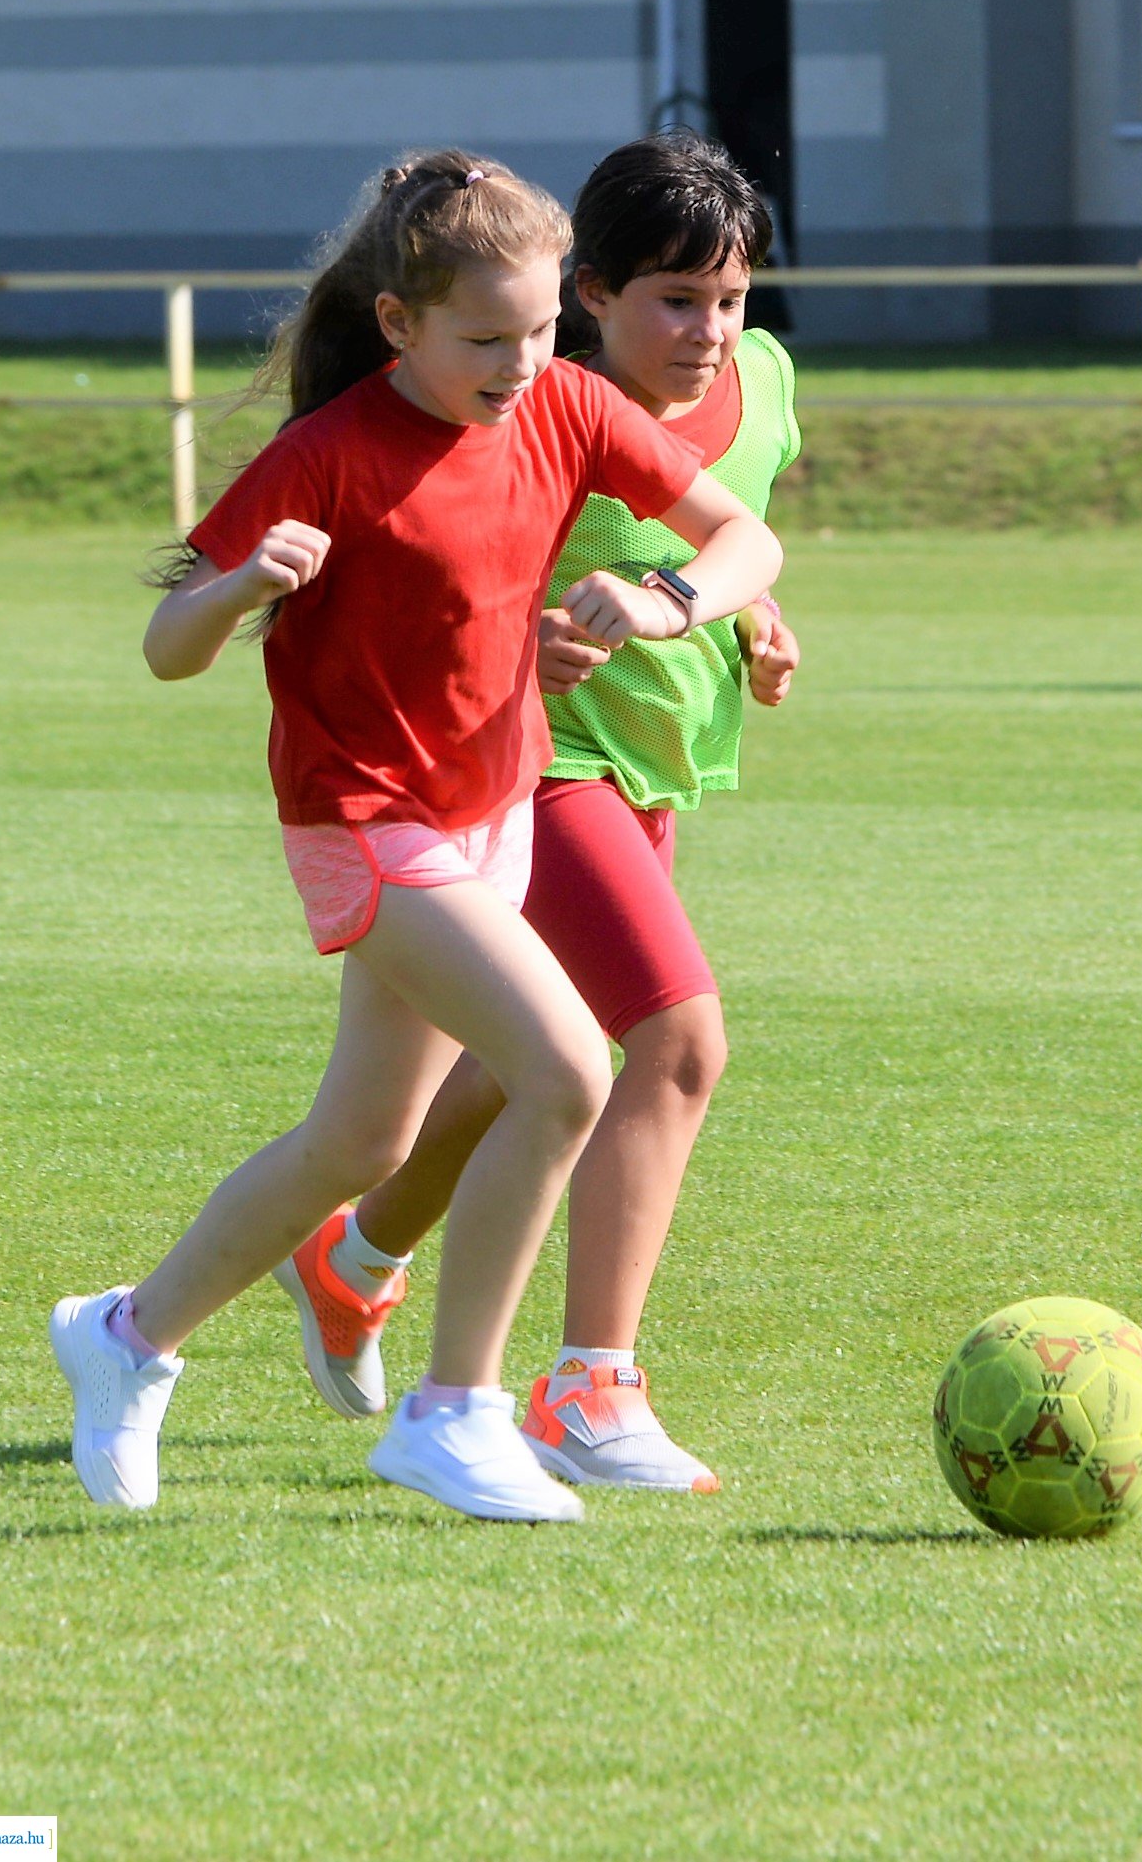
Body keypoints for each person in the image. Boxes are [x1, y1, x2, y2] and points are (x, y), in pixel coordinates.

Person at [49, 148, 782, 1523]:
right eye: (484, 338)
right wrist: (240, 589)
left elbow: (746, 537)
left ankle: (125, 1336)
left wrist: (673, 598)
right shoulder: (326, 452)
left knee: (360, 1144)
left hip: (488, 815)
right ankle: (458, 1411)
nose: (521, 362)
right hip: (364, 823)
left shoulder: (564, 403)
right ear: (400, 322)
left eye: (543, 329)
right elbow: (165, 644)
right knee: (568, 1064)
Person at [276, 131, 800, 1492]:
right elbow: (452, 586)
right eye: (673, 299)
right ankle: (587, 1385)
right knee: (676, 1044)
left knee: (521, 1067)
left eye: (729, 296)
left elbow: (722, 534)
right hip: (536, 771)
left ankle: (357, 1250)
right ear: (595, 296)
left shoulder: (767, 385)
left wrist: (746, 614)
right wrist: (541, 645)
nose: (707, 328)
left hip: (659, 765)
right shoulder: (528, 402)